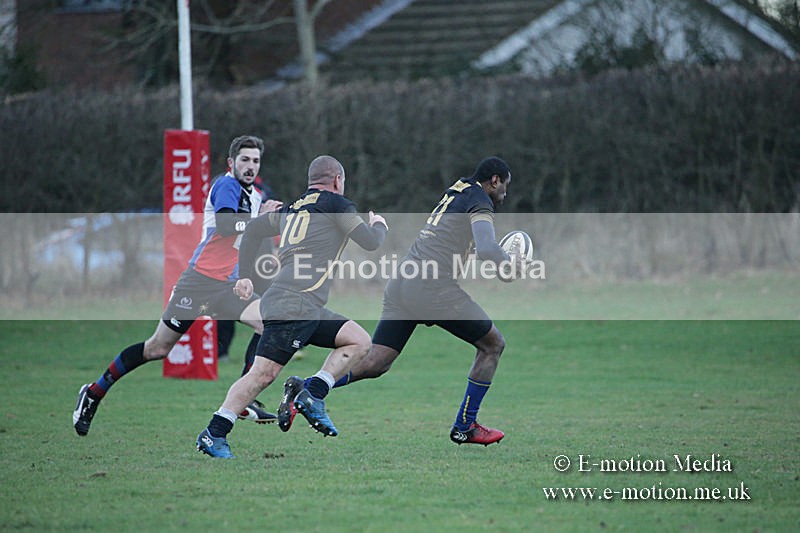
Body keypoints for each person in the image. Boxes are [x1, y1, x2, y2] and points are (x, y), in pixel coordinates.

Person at [287, 156, 520, 446]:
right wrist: (509, 265)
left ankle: (308, 388)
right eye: (504, 187)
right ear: (494, 180)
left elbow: (452, 241)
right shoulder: (481, 202)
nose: (505, 195)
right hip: (433, 288)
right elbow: (486, 248)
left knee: (376, 362)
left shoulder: (457, 190)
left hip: (403, 282)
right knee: (493, 345)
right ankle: (465, 425)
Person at [73, 135, 282, 436]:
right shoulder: (227, 186)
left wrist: (247, 273)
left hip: (227, 286)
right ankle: (94, 392)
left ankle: (245, 398)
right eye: (245, 160)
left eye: (256, 161)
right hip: (197, 284)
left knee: (269, 323)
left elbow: (242, 241)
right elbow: (226, 226)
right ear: (231, 162)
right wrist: (260, 219)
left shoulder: (254, 197)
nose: (250, 166)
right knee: (157, 348)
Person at [196, 155, 388, 458]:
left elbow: (254, 230)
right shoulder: (337, 205)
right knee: (261, 375)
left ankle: (312, 393)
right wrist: (379, 226)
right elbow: (370, 242)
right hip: (294, 305)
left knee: (359, 341)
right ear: (337, 180)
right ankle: (214, 433)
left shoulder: (293, 207)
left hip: (302, 303)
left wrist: (245, 274)